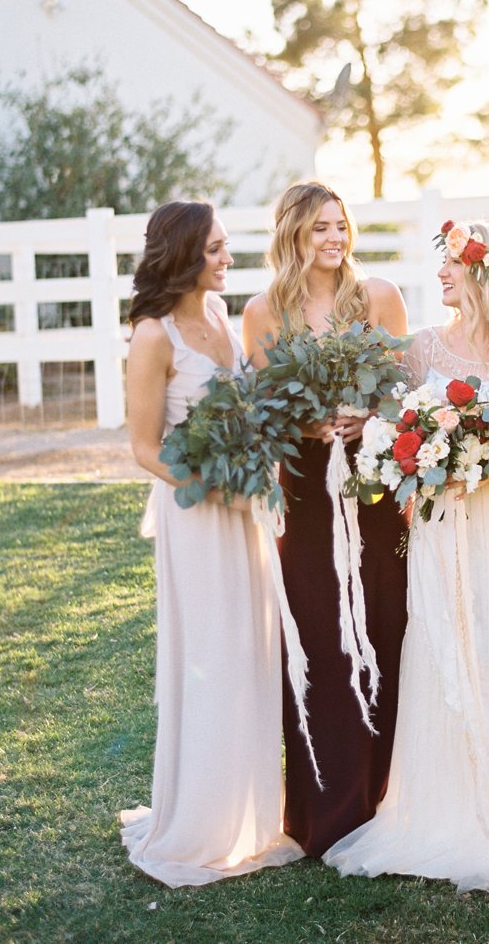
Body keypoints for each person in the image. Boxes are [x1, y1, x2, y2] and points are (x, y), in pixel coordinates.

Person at [324, 220, 489, 903]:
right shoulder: (420, 349)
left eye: (450, 265)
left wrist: (475, 463)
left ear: (484, 273)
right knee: (445, 647)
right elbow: (391, 430)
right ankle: (445, 809)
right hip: (441, 528)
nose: (439, 275)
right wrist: (397, 446)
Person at [120, 200, 301, 886]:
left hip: (242, 503)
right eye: (217, 250)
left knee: (250, 647)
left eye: (227, 248)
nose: (228, 259)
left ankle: (246, 812)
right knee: (213, 650)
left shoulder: (223, 317)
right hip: (197, 511)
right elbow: (143, 446)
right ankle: (200, 819)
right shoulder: (153, 336)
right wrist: (211, 484)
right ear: (186, 254)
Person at [242, 180, 409, 858]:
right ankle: (323, 813)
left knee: (381, 627)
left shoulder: (378, 299)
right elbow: (261, 408)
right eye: (319, 228)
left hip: (371, 483)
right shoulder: (262, 312)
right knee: (317, 638)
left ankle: (384, 798)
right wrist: (304, 419)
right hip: (306, 489)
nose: (335, 239)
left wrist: (368, 416)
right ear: (292, 235)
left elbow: (405, 396)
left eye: (341, 226)